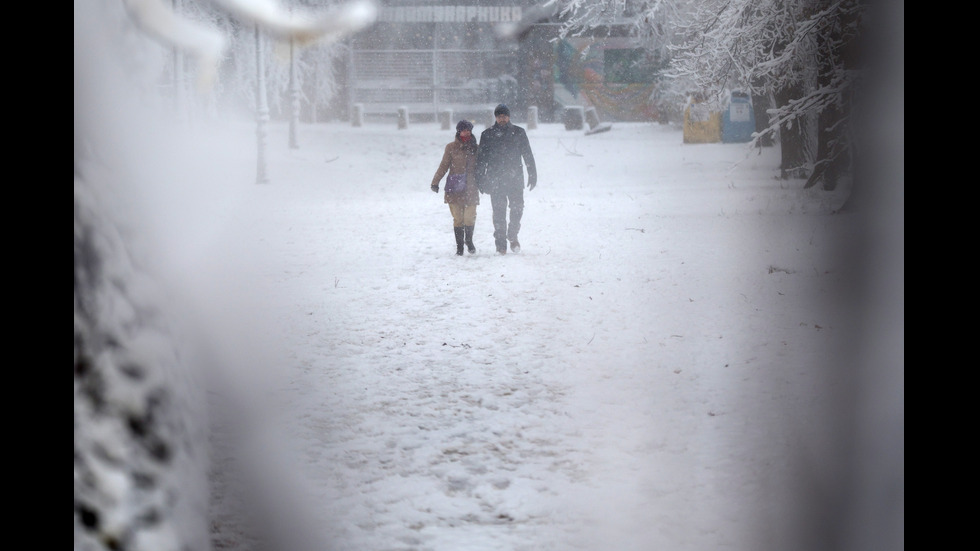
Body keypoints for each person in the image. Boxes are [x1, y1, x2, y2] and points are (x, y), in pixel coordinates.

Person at [475, 103, 537, 254]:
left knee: (517, 209)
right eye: (499, 116)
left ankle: (513, 234)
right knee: (499, 212)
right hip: (495, 179)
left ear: (509, 117)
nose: (502, 119)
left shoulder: (519, 133)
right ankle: (500, 243)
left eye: (504, 116)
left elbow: (527, 154)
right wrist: (480, 179)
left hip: (515, 178)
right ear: (495, 117)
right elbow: (481, 159)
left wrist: (532, 174)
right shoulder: (487, 134)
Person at [431, 120, 480, 256]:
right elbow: (444, 165)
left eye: (469, 130)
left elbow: (482, 167)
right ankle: (460, 247)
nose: (467, 132)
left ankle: (469, 241)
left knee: (469, 217)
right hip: (455, 187)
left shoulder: (476, 148)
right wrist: (435, 182)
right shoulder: (451, 147)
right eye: (464, 130)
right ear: (459, 131)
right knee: (458, 218)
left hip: (471, 187)